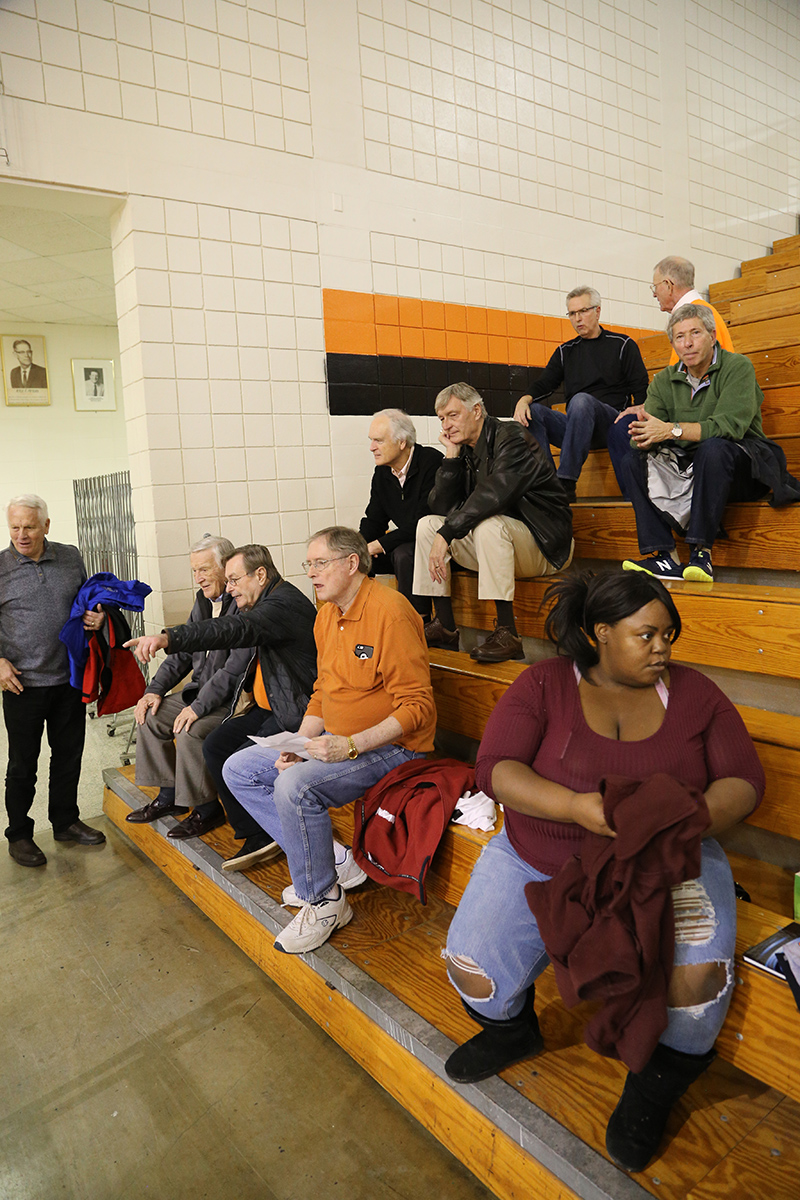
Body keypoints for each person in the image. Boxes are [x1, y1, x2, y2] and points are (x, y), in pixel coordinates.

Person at [442, 570, 764, 1172]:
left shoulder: (695, 694)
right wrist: (574, 807)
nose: (664, 647)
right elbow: (496, 768)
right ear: (601, 633)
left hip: (670, 862)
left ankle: (650, 1093)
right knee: (474, 971)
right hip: (539, 853)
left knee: (698, 995)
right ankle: (514, 1034)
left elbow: (745, 781)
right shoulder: (543, 685)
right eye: (648, 635)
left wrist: (682, 818)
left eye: (670, 634)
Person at [221, 527, 436, 954]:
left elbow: (419, 708)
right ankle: (334, 861)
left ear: (351, 564)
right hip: (336, 740)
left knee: (294, 786)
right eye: (309, 564)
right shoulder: (325, 613)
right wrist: (297, 742)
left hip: (393, 749)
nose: (311, 573)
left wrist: (351, 744)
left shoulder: (389, 612)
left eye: (320, 563)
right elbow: (322, 691)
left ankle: (324, 900)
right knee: (238, 769)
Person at [126, 544, 318, 871]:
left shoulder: (280, 604)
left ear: (260, 575)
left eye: (233, 580)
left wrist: (167, 638)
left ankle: (264, 830)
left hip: (296, 710)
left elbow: (231, 634)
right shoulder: (262, 600)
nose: (229, 588)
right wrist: (156, 686)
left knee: (230, 756)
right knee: (216, 745)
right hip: (273, 703)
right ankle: (250, 829)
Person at [618, 304, 799, 582]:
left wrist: (669, 430)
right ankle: (664, 557)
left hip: (742, 466)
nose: (687, 343)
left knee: (713, 448)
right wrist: (644, 436)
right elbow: (647, 437)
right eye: (679, 337)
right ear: (673, 343)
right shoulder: (663, 381)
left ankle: (701, 553)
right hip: (691, 469)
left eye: (695, 333)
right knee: (632, 458)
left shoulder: (738, 367)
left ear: (712, 336)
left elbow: (728, 428)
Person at [412, 383, 573, 664]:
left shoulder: (511, 436)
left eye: (452, 415)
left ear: (476, 411)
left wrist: (447, 533)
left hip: (544, 544)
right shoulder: (462, 450)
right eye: (441, 419)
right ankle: (445, 626)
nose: (446, 425)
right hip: (500, 546)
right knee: (427, 524)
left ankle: (508, 633)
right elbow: (440, 507)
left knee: (489, 525)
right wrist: (450, 456)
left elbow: (495, 494)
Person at [1, 494, 106, 868]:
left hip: (69, 679)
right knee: (22, 764)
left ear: (46, 525)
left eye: (29, 526)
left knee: (68, 757)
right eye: (14, 526)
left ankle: (65, 821)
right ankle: (19, 834)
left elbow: (87, 601)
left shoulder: (70, 556)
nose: (21, 534)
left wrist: (97, 616)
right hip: (22, 685)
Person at [125, 536, 253, 830]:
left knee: (189, 730)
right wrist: (154, 690)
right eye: (195, 571)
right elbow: (183, 651)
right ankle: (170, 795)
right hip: (200, 694)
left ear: (225, 567)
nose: (199, 578)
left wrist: (196, 707)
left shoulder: (243, 604)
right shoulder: (203, 601)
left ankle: (207, 809)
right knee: (149, 716)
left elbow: (234, 671)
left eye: (205, 570)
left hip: (230, 700)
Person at [513, 287, 649, 501]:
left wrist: (637, 414)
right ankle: (548, 485)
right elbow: (545, 383)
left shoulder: (623, 345)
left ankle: (566, 480)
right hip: (577, 426)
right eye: (572, 313)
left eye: (583, 311)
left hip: (610, 423)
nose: (578, 318)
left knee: (581, 400)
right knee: (534, 411)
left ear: (598, 311)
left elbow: (641, 390)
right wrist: (523, 400)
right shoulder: (565, 352)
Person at [359, 408, 442, 619]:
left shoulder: (431, 462)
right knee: (357, 559)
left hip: (439, 546)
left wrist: (380, 544)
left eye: (378, 440)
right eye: (371, 440)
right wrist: (356, 549)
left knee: (404, 553)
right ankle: (363, 617)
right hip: (404, 545)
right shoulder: (382, 472)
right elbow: (374, 520)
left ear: (402, 442)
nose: (371, 448)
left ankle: (415, 621)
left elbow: (424, 521)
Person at [651, 256, 733, 359]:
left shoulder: (696, 316)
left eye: (655, 287)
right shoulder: (704, 312)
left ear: (668, 285)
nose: (654, 294)